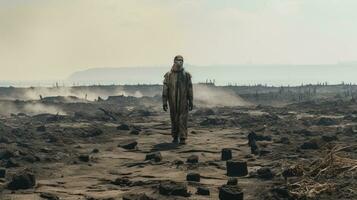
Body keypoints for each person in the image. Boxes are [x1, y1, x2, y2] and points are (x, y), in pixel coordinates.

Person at [162, 55, 193, 144]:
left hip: (183, 102)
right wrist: (164, 102)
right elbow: (165, 89)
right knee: (174, 119)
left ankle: (182, 137)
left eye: (181, 60)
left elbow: (190, 89)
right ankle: (175, 136)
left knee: (183, 119)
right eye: (177, 60)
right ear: (174, 61)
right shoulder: (168, 75)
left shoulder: (186, 75)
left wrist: (191, 101)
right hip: (172, 102)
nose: (179, 62)